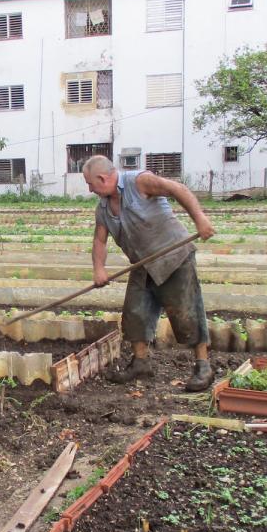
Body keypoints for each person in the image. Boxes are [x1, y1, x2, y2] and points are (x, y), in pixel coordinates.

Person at [82, 154, 216, 390]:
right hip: (142, 265)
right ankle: (140, 363)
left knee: (186, 313)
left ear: (102, 178)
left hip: (174, 258)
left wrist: (200, 219)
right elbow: (100, 241)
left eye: (90, 184)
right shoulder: (103, 208)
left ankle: (203, 366)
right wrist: (99, 269)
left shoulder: (139, 182)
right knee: (134, 314)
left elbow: (176, 189)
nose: (90, 189)